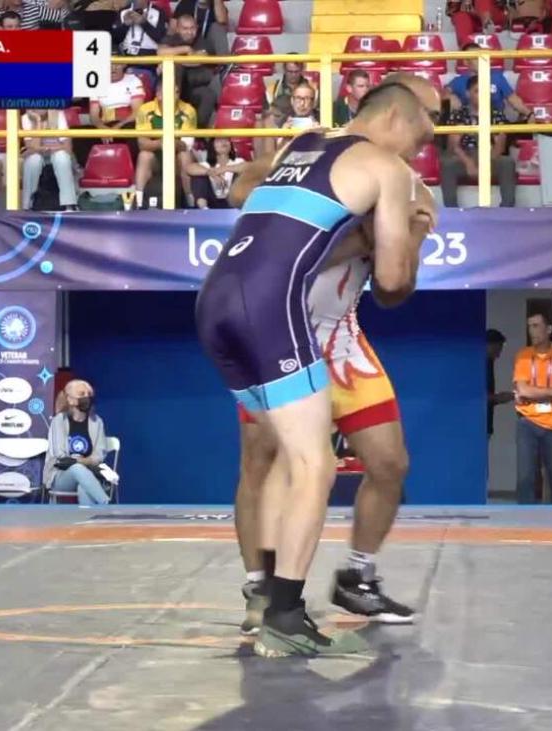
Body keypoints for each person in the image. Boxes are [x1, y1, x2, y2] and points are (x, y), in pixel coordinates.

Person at [195, 76, 440, 658]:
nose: (423, 146)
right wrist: (401, 232)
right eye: (424, 128)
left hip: (265, 312)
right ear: (397, 116)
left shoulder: (312, 149)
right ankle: (274, 602)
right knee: (293, 462)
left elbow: (256, 204)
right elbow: (393, 283)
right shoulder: (370, 164)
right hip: (283, 313)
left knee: (374, 462)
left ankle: (340, 581)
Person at [512, 311, 552, 504]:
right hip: (527, 422)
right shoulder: (523, 356)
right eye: (529, 326)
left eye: (536, 326)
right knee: (525, 478)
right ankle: (524, 519)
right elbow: (522, 389)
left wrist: (532, 393)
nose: (532, 331)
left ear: (549, 329)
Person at [443, 74, 517, 208]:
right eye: (477, 91)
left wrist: (486, 164)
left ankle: (506, 209)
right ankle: (451, 209)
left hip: (490, 156)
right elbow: (454, 146)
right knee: (447, 164)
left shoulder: (496, 114)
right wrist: (468, 163)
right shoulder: (459, 114)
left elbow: (500, 145)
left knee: (507, 163)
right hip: (465, 157)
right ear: (468, 94)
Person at [44, 379, 112, 506]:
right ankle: (106, 504)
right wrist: (83, 462)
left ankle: (87, 518)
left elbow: (99, 455)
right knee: (77, 468)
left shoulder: (97, 422)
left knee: (84, 487)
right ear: (70, 400)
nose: (87, 397)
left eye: (89, 394)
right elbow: (60, 456)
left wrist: (79, 461)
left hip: (89, 474)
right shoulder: (59, 421)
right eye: (82, 394)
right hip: (61, 476)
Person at [20, 109, 78, 211]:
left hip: (57, 154)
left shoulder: (58, 115)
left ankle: (69, 205)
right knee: (33, 160)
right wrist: (38, 122)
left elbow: (67, 147)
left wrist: (43, 148)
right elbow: (32, 148)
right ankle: (28, 205)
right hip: (39, 155)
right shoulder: (25, 118)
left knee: (62, 157)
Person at [186, 137, 245, 209]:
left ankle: (239, 208)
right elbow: (189, 168)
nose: (224, 142)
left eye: (226, 140)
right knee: (199, 176)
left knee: (242, 173)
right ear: (212, 145)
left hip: (231, 201)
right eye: (219, 140)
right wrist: (211, 173)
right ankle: (203, 208)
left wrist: (224, 169)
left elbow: (248, 167)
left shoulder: (238, 161)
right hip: (212, 202)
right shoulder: (206, 165)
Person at [486, 328, 510, 439]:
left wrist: (497, 399)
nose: (499, 354)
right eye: (498, 348)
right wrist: (496, 398)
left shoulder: (489, 363)